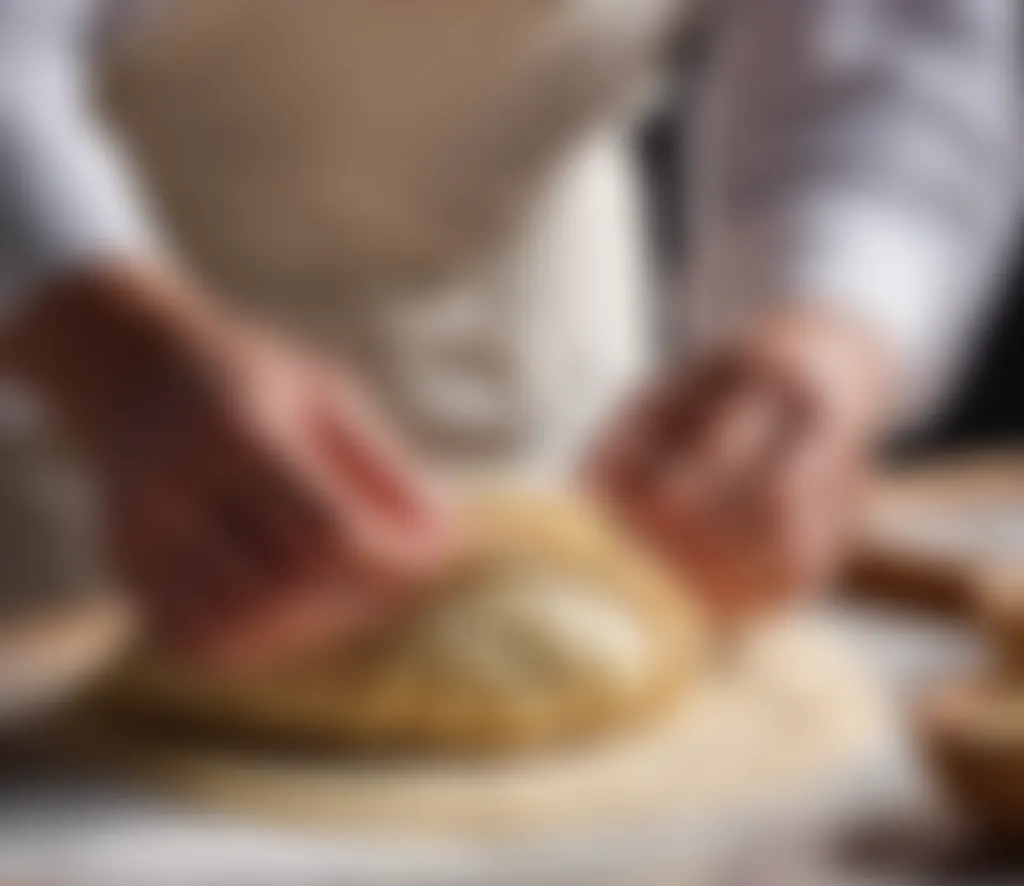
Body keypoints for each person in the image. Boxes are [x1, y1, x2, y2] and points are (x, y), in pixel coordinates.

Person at [0, 0, 1018, 669]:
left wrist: (822, 339)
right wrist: (115, 356)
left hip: (544, 419)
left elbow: (903, 35)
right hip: (53, 428)